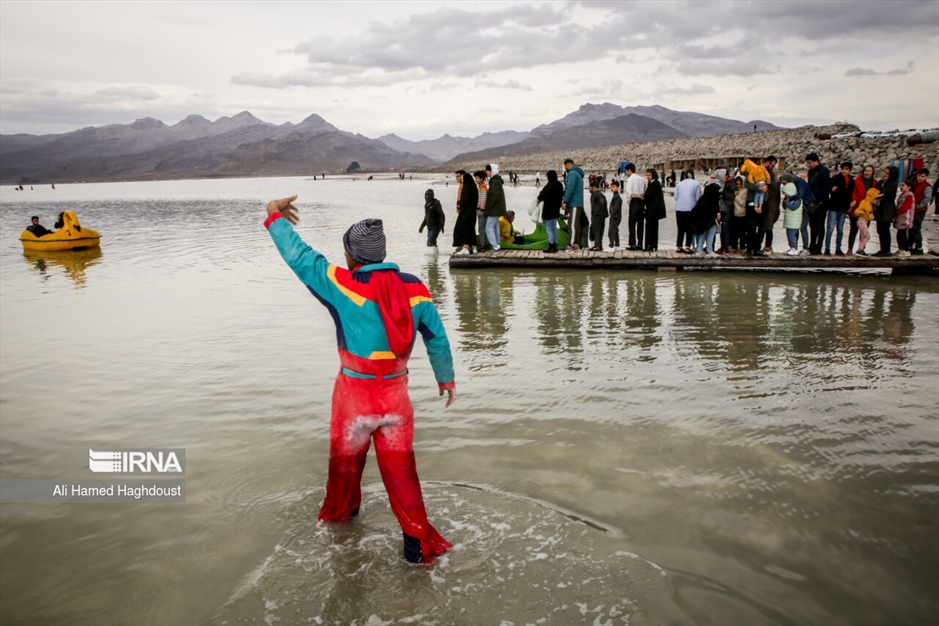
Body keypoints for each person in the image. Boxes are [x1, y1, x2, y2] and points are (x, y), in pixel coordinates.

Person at [263, 195, 455, 564]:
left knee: (345, 469)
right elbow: (437, 337)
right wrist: (446, 379)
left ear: (353, 256)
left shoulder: (343, 284)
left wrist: (275, 217)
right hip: (396, 402)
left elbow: (302, 258)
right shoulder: (416, 288)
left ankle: (342, 529)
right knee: (403, 475)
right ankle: (417, 548)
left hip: (354, 402)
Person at [825, 161, 854, 255]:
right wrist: (831, 189)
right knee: (830, 228)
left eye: (846, 169)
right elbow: (827, 187)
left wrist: (850, 205)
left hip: (843, 208)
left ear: (850, 170)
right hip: (834, 206)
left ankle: (838, 248)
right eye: (843, 169)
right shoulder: (835, 178)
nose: (844, 171)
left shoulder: (851, 181)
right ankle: (827, 248)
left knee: (840, 229)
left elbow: (851, 194)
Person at [848, 165, 877, 255]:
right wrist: (854, 201)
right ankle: (850, 249)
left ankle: (861, 249)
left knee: (864, 231)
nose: (867, 173)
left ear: (872, 172)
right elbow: (853, 192)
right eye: (866, 171)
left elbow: (877, 194)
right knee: (853, 230)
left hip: (867, 211)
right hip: (857, 208)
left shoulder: (874, 182)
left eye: (869, 171)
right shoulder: (857, 181)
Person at [805, 153, 831, 255]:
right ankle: (812, 245)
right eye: (807, 163)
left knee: (820, 225)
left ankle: (819, 247)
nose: (808, 165)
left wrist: (821, 200)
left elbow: (826, 186)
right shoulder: (810, 171)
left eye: (810, 163)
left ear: (816, 161)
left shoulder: (824, 171)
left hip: (822, 202)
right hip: (813, 202)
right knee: (812, 224)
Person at [561, 158, 587, 250]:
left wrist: (565, 201)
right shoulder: (578, 174)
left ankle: (570, 245)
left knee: (572, 224)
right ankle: (576, 243)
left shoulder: (572, 174)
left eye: (565, 167)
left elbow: (570, 188)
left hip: (574, 203)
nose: (565, 169)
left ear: (568, 165)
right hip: (579, 203)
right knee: (576, 225)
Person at [874, 165, 899, 256]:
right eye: (885, 172)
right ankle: (883, 249)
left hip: (887, 210)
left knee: (884, 230)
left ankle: (886, 250)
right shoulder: (886, 183)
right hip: (882, 209)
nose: (885, 174)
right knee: (880, 230)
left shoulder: (892, 184)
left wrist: (880, 182)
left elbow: (880, 192)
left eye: (887, 173)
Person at [691, 179, 721, 255]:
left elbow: (697, 209)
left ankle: (700, 249)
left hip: (703, 220)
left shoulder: (703, 198)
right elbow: (716, 209)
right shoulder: (715, 199)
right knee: (711, 235)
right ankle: (709, 250)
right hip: (711, 220)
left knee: (703, 235)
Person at [452, 170, 479, 256]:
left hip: (466, 212)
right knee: (471, 229)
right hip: (473, 212)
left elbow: (465, 200)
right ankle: (474, 248)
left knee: (465, 228)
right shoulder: (474, 187)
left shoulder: (466, 188)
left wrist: (460, 203)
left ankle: (466, 247)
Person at [673, 169, 701, 252]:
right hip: (691, 208)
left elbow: (676, 197)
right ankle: (687, 247)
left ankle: (679, 246)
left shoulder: (679, 184)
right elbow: (698, 198)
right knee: (689, 228)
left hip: (679, 208)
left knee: (680, 228)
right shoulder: (696, 184)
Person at [538, 170, 564, 253]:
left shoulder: (549, 186)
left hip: (548, 210)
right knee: (554, 228)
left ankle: (551, 245)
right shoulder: (559, 185)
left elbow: (541, 196)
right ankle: (555, 245)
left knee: (548, 228)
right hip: (556, 210)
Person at [623, 163, 648, 250]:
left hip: (634, 200)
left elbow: (628, 191)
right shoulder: (642, 179)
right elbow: (645, 190)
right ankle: (640, 243)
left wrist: (628, 201)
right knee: (640, 223)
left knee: (632, 223)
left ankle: (632, 243)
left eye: (626, 171)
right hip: (641, 201)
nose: (626, 173)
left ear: (629, 170)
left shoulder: (630, 179)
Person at [484, 164, 507, 252]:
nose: (486, 172)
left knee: (488, 228)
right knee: (495, 227)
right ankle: (497, 244)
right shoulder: (496, 180)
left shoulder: (494, 181)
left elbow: (495, 196)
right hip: (497, 208)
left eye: (488, 170)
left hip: (494, 209)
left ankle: (495, 247)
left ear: (492, 170)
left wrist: (488, 205)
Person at [910, 169, 933, 254]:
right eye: (919, 176)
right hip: (912, 210)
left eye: (922, 176)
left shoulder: (927, 186)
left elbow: (927, 198)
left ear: (926, 177)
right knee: (911, 228)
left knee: (916, 229)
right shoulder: (914, 184)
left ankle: (919, 247)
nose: (920, 178)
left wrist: (919, 206)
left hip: (920, 211)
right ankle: (910, 245)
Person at [643, 168, 666, 251]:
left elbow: (648, 194)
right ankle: (653, 245)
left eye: (649, 175)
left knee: (650, 227)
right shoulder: (653, 183)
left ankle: (649, 245)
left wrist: (641, 196)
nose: (648, 177)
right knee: (653, 227)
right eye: (647, 175)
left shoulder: (655, 183)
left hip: (653, 209)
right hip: (653, 209)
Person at [781, 181, 804, 255]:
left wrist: (787, 202)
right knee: (789, 235)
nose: (785, 195)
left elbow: (793, 207)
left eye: (785, 193)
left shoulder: (797, 200)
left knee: (792, 235)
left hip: (794, 221)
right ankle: (791, 247)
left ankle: (795, 248)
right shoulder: (790, 199)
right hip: (790, 221)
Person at [853, 187, 877, 255]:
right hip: (862, 221)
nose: (876, 201)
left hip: (865, 221)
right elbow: (857, 211)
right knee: (867, 236)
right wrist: (860, 212)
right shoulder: (865, 203)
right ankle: (860, 250)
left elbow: (870, 215)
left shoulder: (870, 204)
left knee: (864, 236)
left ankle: (860, 249)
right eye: (875, 199)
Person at [893, 180, 915, 256]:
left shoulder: (909, 196)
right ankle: (901, 249)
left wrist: (897, 212)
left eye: (903, 185)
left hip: (905, 218)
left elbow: (905, 207)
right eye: (901, 185)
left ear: (909, 187)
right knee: (900, 234)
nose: (901, 187)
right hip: (900, 218)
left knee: (902, 235)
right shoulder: (902, 195)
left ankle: (905, 250)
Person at [588, 181, 608, 251]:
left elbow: (593, 205)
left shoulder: (594, 195)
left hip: (596, 214)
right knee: (601, 230)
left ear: (593, 187)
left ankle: (597, 245)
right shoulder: (602, 195)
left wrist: (593, 214)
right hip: (603, 214)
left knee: (596, 230)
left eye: (590, 187)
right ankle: (600, 245)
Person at [475, 170, 489, 251]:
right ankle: (484, 244)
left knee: (482, 227)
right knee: (482, 227)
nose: (476, 180)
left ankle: (483, 244)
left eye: (477, 178)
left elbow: (483, 199)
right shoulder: (480, 187)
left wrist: (482, 209)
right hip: (480, 209)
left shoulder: (483, 187)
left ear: (482, 178)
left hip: (481, 210)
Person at [607, 180, 623, 249]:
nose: (611, 188)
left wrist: (612, 213)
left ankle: (612, 245)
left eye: (613, 186)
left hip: (615, 217)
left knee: (611, 231)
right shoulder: (615, 196)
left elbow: (615, 207)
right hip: (616, 216)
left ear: (618, 187)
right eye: (611, 187)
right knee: (615, 230)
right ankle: (617, 245)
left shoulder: (617, 197)